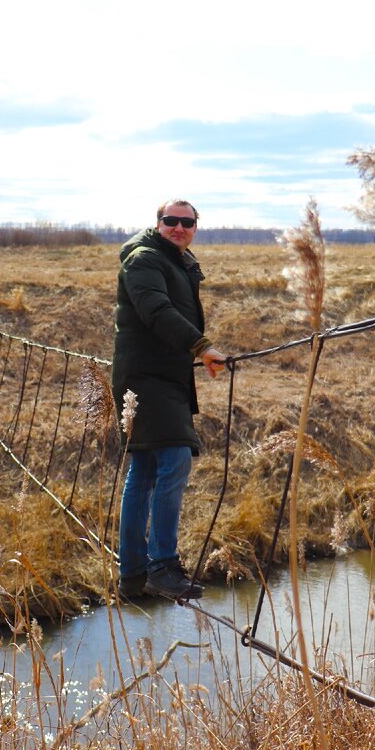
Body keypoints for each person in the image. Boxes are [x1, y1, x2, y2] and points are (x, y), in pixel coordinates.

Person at [112, 199, 226, 601]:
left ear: (196, 226)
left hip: (163, 374)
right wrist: (201, 346)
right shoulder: (144, 259)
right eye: (171, 221)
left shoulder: (177, 260)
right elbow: (156, 310)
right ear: (157, 223)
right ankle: (162, 565)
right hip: (148, 377)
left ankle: (132, 574)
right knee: (175, 457)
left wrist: (194, 351)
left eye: (187, 222)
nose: (179, 227)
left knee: (143, 469)